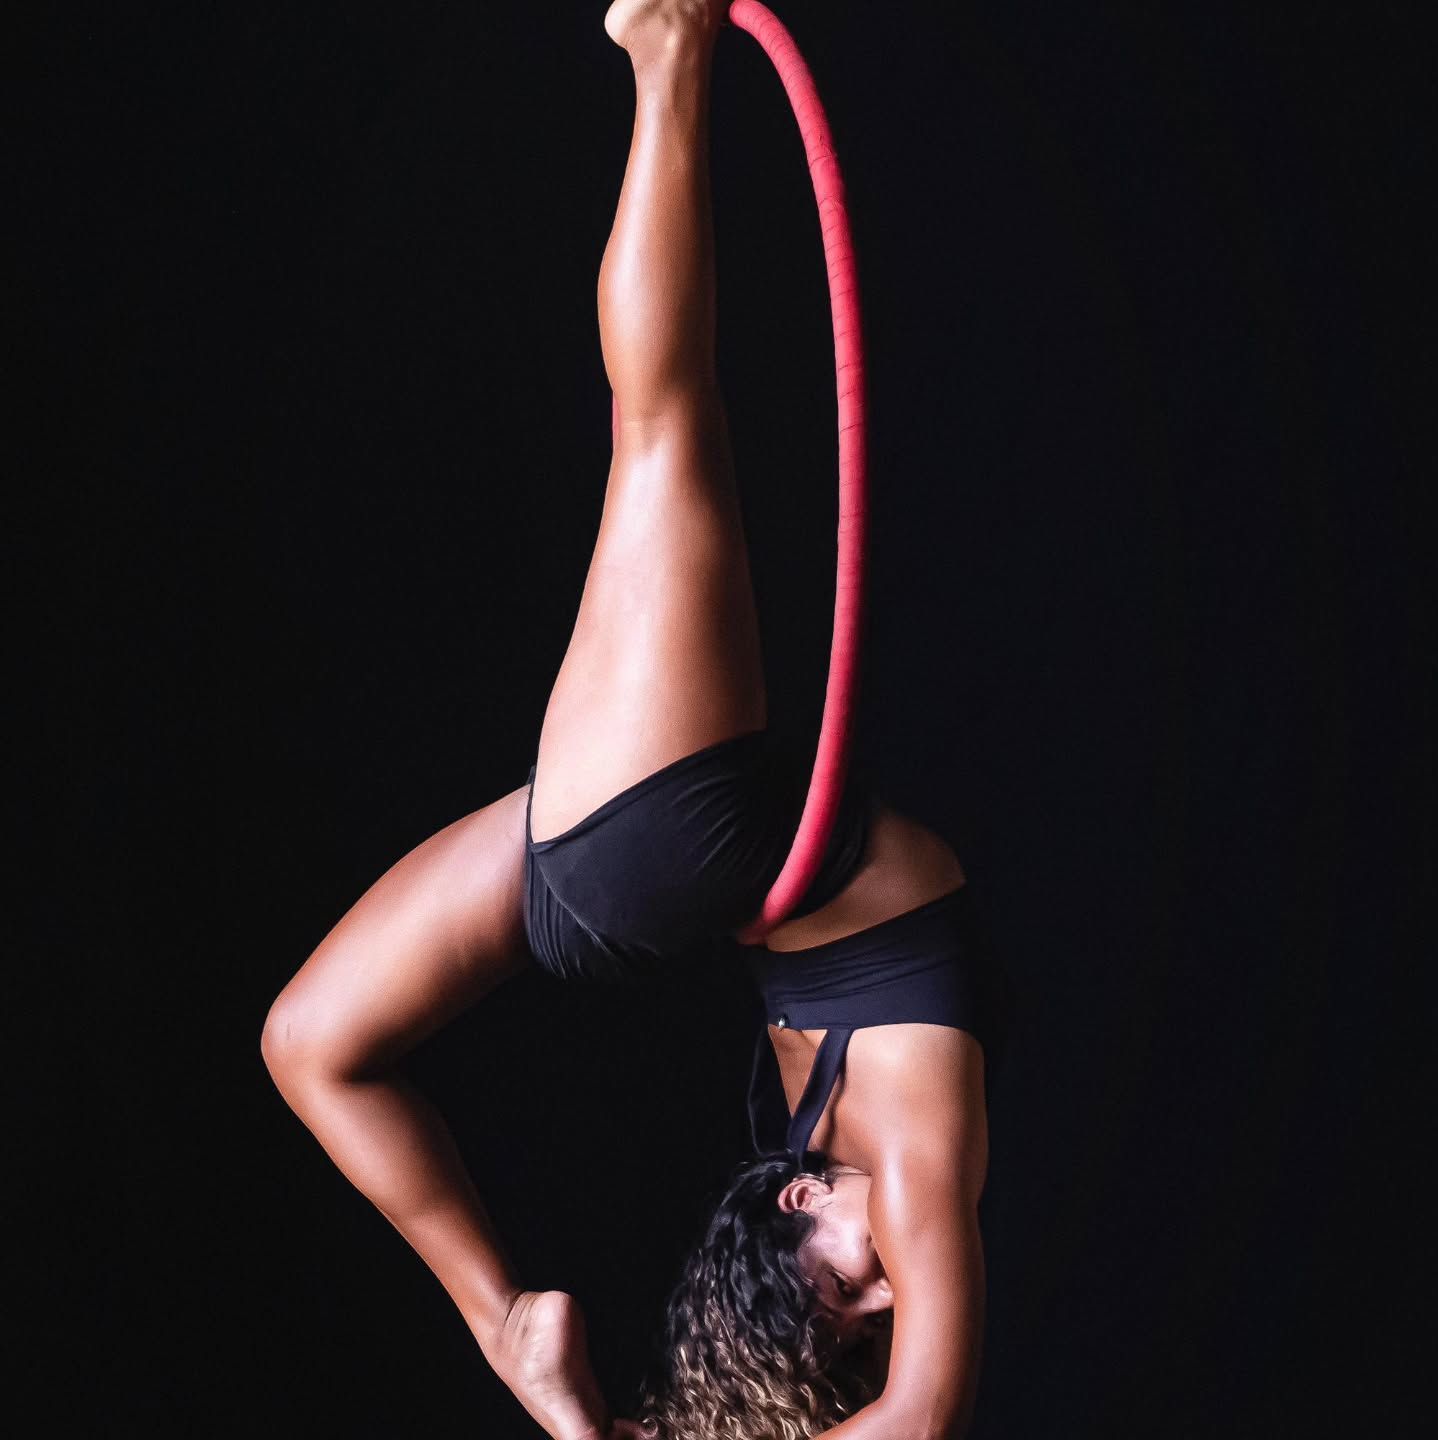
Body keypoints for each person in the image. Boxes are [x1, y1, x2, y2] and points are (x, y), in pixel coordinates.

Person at [262, 3, 995, 1437]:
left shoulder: (902, 1169)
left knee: (666, 426)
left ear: (794, 1197)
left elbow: (921, 1423)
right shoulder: (863, 1165)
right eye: (872, 1313)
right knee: (308, 1041)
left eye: (849, 1289)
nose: (895, 1286)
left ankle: (669, 51)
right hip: (664, 870)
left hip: (677, 849)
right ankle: (509, 1327)